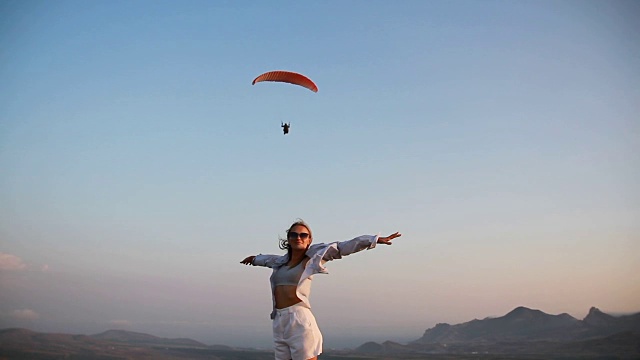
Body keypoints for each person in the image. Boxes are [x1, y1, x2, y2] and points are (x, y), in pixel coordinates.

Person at [240, 219, 402, 360]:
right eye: (294, 235)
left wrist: (373, 240)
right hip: (278, 321)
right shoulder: (280, 262)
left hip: (299, 320)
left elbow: (342, 247)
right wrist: (254, 259)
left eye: (303, 235)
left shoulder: (313, 257)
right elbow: (267, 259)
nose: (298, 237)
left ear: (309, 240)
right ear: (288, 239)